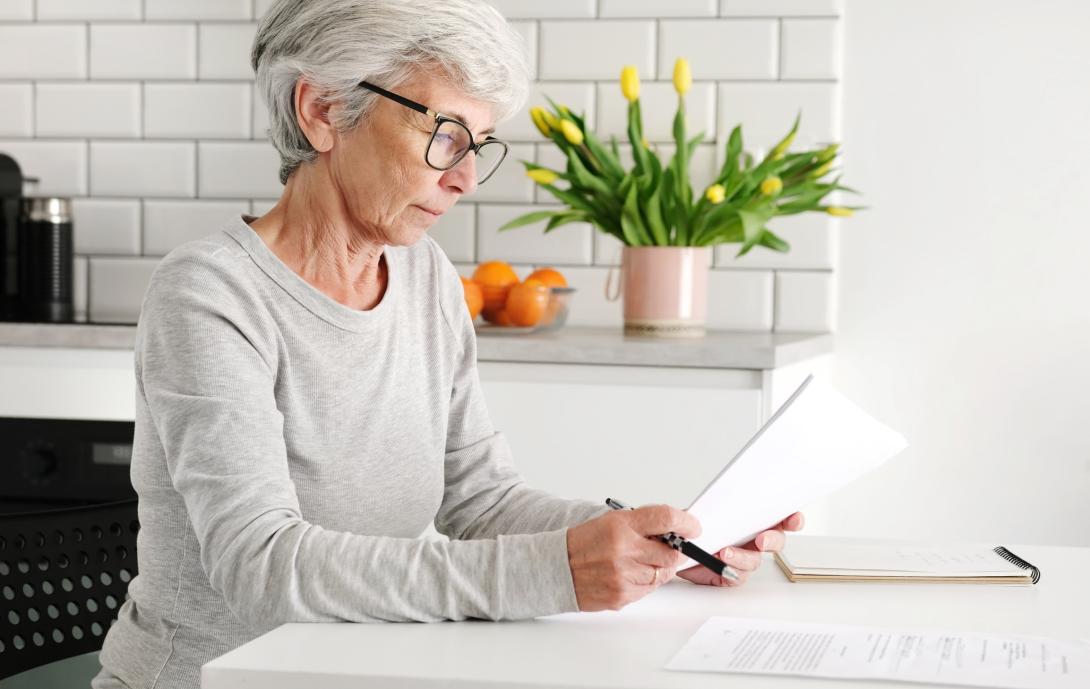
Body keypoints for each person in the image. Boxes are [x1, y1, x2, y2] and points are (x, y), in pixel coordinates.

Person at [92, 1, 803, 687]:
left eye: (478, 146)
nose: (464, 178)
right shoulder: (210, 294)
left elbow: (481, 501)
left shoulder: (424, 274)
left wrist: (660, 544)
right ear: (323, 111)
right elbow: (261, 564)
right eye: (446, 134)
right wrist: (557, 569)